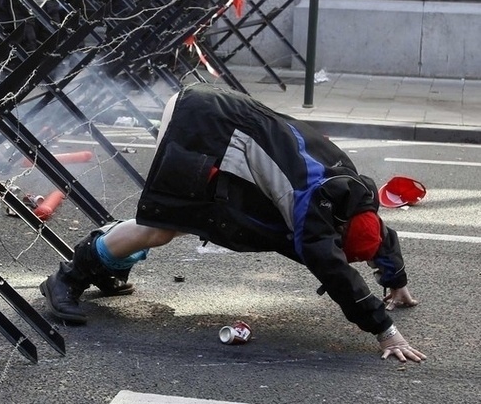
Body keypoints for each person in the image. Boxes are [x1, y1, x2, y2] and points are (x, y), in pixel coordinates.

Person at [40, 82, 426, 363]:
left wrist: (396, 280)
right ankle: (69, 275)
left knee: (171, 223)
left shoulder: (354, 195)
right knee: (161, 227)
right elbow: (335, 272)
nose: (348, 257)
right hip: (202, 124)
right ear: (338, 233)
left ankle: (109, 265)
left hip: (219, 113)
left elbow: (380, 237)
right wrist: (385, 331)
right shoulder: (315, 209)